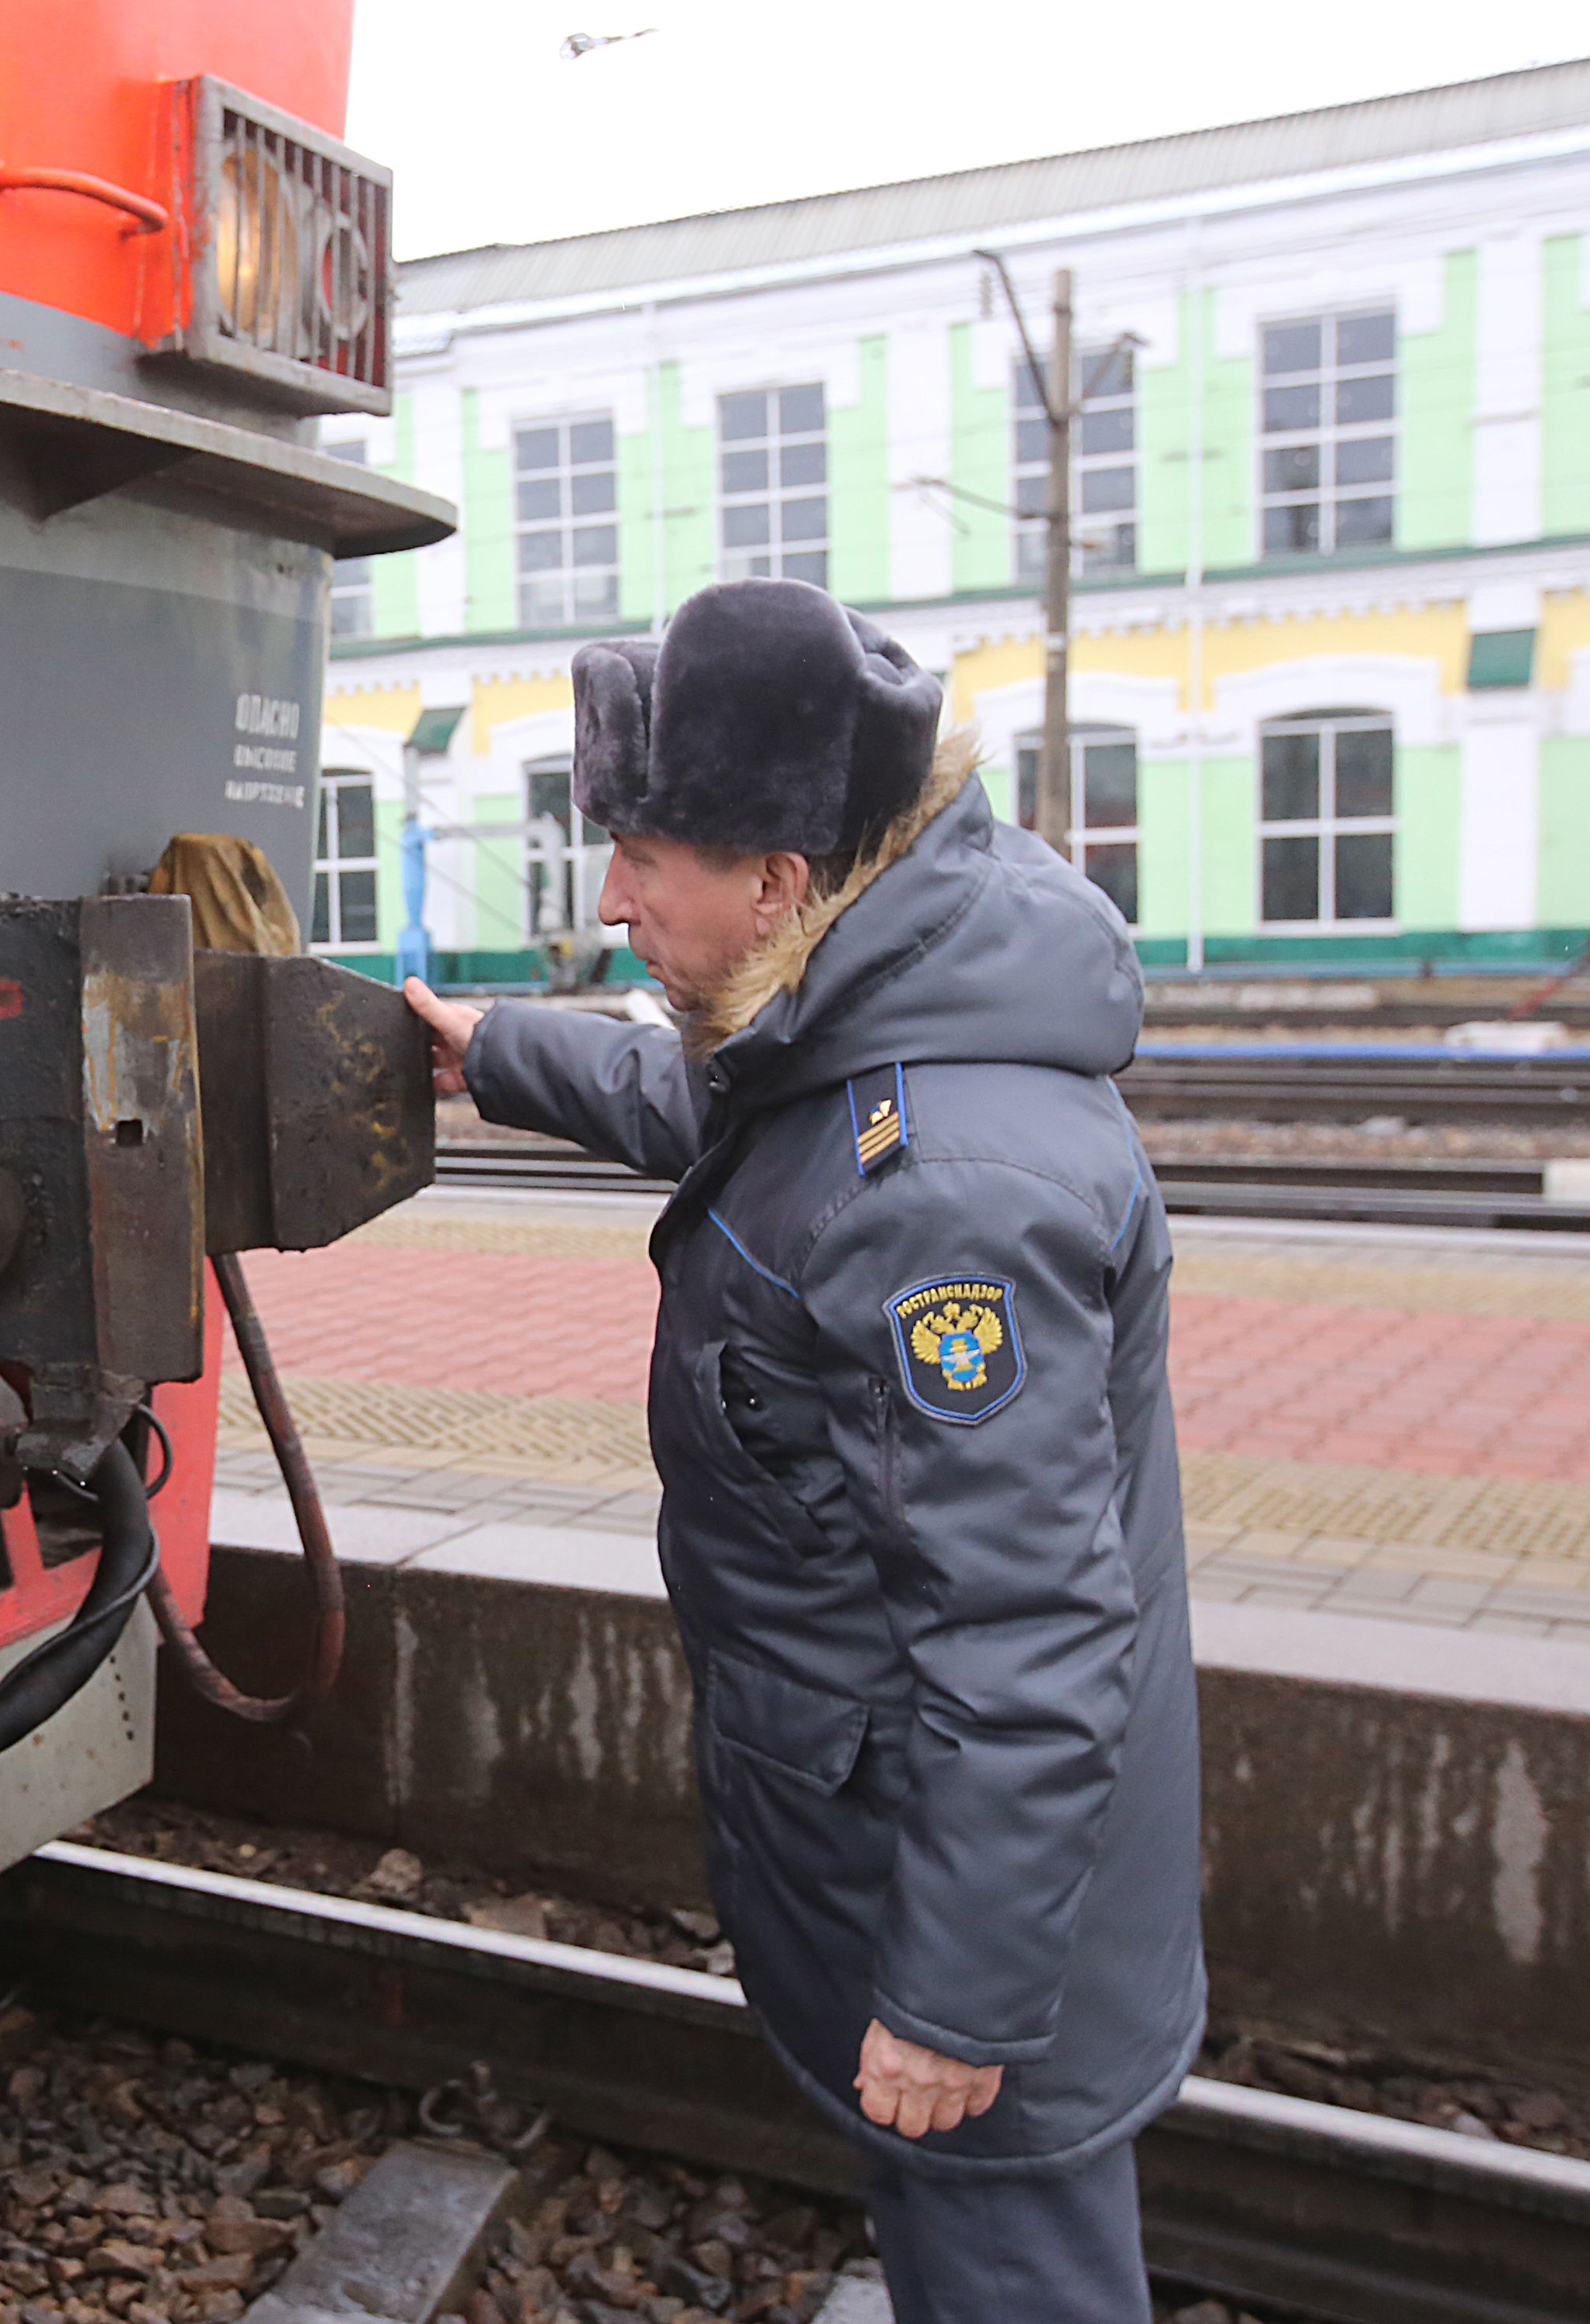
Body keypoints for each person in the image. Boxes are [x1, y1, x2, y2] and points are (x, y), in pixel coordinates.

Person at [403, 579, 1200, 2324]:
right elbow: (736, 1114)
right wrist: (505, 1052)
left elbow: (1031, 1632)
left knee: (1006, 2257)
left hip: (961, 1872)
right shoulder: (872, 1005)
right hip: (909, 1827)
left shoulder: (951, 1199)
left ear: (775, 881)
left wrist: (957, 1999)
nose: (609, 904)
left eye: (645, 863)